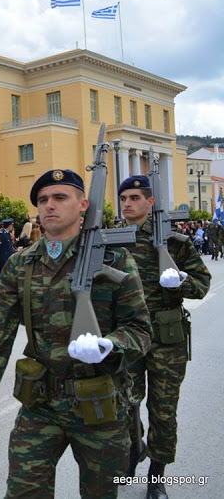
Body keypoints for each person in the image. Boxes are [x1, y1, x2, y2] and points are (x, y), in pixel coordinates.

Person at [0, 169, 152, 498]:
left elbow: (140, 330)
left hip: (100, 406)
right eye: (43, 200)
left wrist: (108, 347)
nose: (49, 205)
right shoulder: (20, 264)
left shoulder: (115, 259)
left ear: (83, 204)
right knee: (23, 492)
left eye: (59, 197)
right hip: (40, 403)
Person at [118, 176, 211, 498]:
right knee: (125, 405)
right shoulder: (113, 240)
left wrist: (180, 283)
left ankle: (157, 474)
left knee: (164, 409)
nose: (127, 203)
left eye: (133, 198)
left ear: (149, 202)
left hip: (166, 339)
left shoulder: (176, 243)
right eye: (123, 198)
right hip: (128, 336)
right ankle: (134, 450)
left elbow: (201, 286)